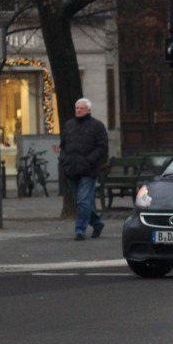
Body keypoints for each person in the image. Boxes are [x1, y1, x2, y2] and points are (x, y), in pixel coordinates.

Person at [59, 98, 108, 240]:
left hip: (88, 170)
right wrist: (64, 159)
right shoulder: (69, 125)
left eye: (81, 108)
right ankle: (97, 223)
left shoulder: (97, 126)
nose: (78, 111)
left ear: (89, 110)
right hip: (71, 169)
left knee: (83, 201)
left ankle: (80, 229)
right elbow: (63, 145)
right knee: (79, 201)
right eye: (77, 108)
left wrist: (89, 161)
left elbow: (102, 147)